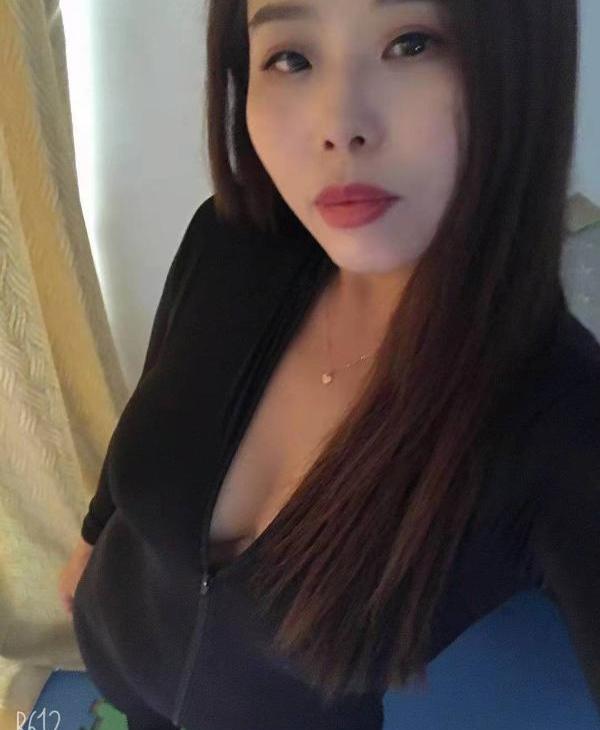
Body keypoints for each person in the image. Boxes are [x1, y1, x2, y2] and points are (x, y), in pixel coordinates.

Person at [59, 0, 600, 727]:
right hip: (113, 665)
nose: (339, 125)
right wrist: (92, 536)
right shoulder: (228, 240)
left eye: (413, 43)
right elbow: (157, 393)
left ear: (525, 62)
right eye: (291, 57)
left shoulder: (561, 419)